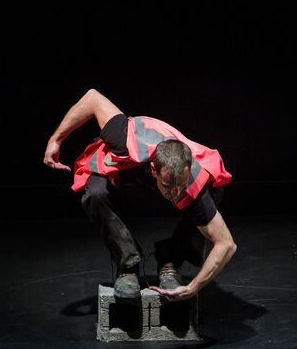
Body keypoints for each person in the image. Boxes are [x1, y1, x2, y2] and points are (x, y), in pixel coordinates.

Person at [44, 88, 237, 301]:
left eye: (179, 186)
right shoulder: (121, 135)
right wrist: (56, 140)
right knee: (95, 194)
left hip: (159, 164)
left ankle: (171, 261)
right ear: (154, 169)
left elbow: (226, 244)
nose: (175, 194)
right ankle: (128, 264)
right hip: (119, 164)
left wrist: (193, 287)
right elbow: (92, 98)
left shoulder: (191, 180)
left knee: (213, 190)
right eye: (168, 186)